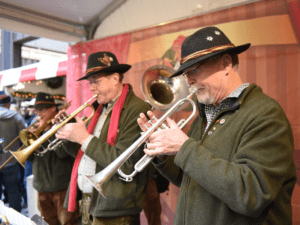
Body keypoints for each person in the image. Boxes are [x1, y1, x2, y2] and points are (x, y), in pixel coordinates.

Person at [137, 26, 297, 225]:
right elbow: (190, 178)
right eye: (186, 74)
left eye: (195, 70)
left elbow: (250, 194)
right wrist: (161, 152)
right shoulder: (206, 113)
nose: (189, 81)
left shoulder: (266, 114)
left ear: (226, 64)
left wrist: (184, 148)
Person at [54, 51, 151, 225]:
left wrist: (84, 138)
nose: (91, 88)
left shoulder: (137, 109)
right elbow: (85, 153)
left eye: (96, 82)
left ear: (115, 79)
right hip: (88, 201)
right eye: (90, 83)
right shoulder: (98, 109)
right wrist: (67, 134)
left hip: (116, 207)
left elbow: (125, 161)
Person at [26, 92, 80, 225]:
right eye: (37, 109)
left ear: (53, 109)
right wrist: (29, 139)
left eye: (42, 109)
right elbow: (28, 157)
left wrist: (49, 131)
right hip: (41, 187)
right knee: (48, 222)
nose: (39, 113)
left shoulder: (65, 123)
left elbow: (63, 153)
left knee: (68, 222)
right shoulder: (35, 127)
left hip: (61, 188)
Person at [0, 91, 26, 212]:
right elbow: (24, 138)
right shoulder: (16, 116)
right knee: (14, 193)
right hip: (11, 160)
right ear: (9, 103)